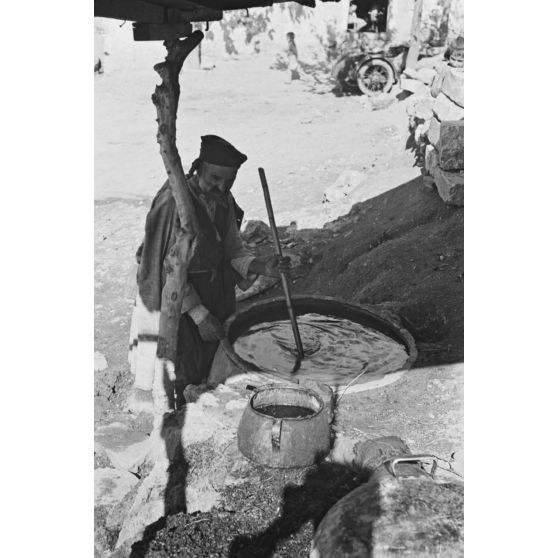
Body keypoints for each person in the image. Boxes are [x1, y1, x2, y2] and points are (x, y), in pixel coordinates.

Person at [128, 135, 291, 412]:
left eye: (230, 181)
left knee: (211, 354)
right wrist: (199, 315)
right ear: (199, 168)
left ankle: (199, 394)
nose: (222, 186)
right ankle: (177, 411)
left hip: (212, 288)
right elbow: (166, 267)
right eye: (215, 178)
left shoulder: (222, 198)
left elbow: (232, 248)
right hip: (176, 296)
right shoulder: (173, 203)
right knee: (179, 360)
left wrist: (263, 267)